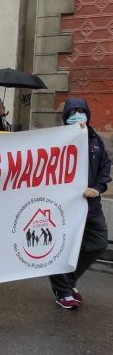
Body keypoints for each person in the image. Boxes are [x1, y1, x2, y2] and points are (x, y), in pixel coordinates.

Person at [48, 98, 110, 309]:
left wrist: (98, 188)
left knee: (99, 242)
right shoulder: (57, 141)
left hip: (90, 204)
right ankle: (62, 291)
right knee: (60, 247)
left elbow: (104, 166)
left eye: (81, 111)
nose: (77, 116)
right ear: (65, 117)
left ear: (87, 114)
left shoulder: (95, 140)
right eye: (72, 113)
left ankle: (69, 279)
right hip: (63, 206)